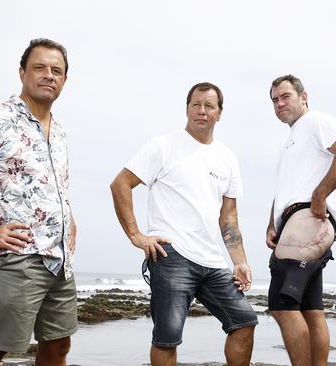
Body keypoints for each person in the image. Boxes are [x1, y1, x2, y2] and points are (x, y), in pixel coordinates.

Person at [110, 82, 257, 366]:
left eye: (209, 106)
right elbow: (121, 185)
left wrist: (239, 261)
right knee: (167, 337)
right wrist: (136, 235)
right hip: (171, 255)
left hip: (212, 261)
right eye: (195, 105)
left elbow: (229, 217)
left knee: (244, 322)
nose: (201, 111)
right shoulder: (163, 146)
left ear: (219, 113)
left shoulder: (227, 158)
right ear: (187, 109)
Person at [0, 38, 77, 366]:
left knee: (57, 347)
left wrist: (70, 221)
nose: (48, 75)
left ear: (65, 80)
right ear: (22, 72)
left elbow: (54, 188)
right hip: (16, 259)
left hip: (59, 262)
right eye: (39, 67)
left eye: (57, 71)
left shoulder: (60, 131)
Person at [265, 74, 336, 366]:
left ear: (303, 96)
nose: (280, 103)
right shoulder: (289, 142)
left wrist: (321, 194)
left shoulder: (316, 121)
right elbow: (286, 187)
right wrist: (272, 223)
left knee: (282, 305)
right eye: (274, 100)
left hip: (308, 218)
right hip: (297, 224)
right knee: (311, 309)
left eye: (286, 96)